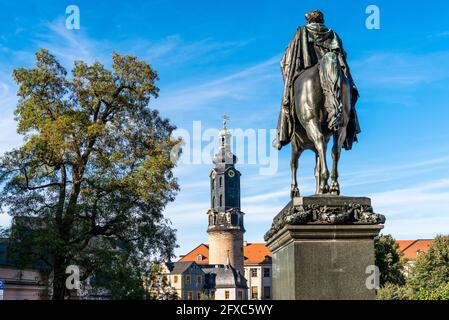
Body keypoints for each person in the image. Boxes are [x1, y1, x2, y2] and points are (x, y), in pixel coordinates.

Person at [274, 9, 360, 150]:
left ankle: (281, 134)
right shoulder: (333, 34)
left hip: (306, 71)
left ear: (308, 20)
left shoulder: (301, 32)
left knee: (287, 96)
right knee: (347, 96)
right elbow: (342, 58)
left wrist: (289, 75)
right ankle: (350, 126)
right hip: (333, 74)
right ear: (322, 20)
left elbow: (286, 60)